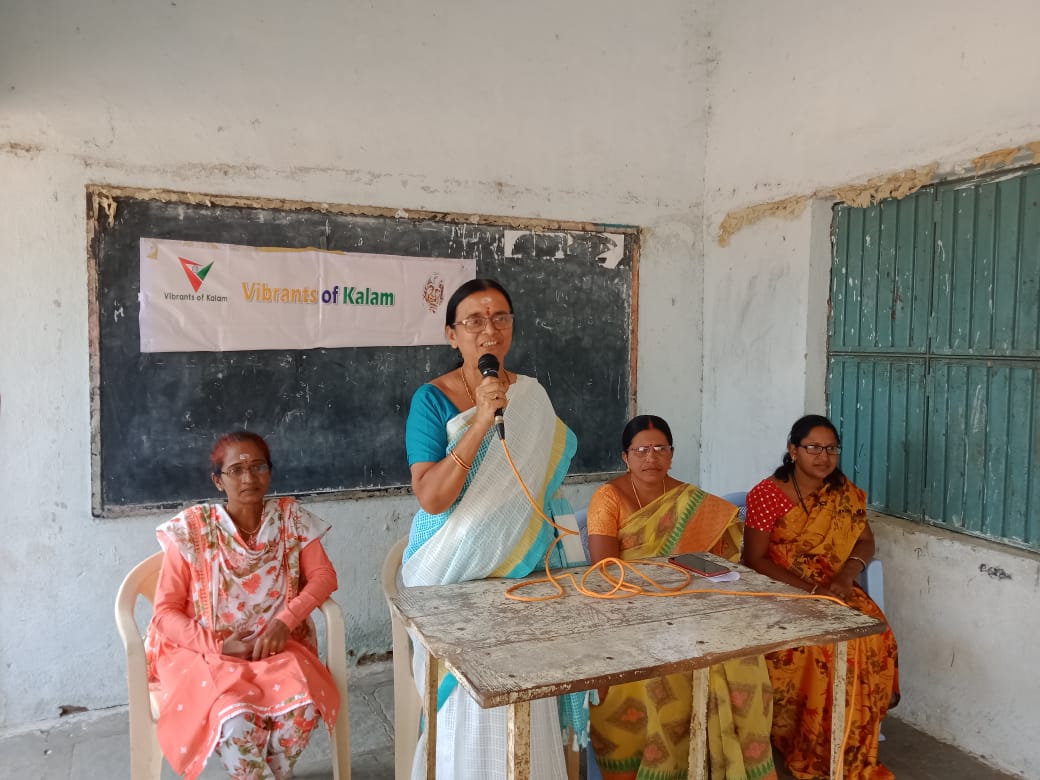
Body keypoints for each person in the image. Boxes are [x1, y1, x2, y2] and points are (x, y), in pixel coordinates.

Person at [402, 278, 582, 779]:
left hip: (523, 575)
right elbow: (432, 497)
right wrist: (481, 419)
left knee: (529, 684)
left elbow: (538, 492)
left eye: (500, 317)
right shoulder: (431, 400)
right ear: (452, 334)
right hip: (449, 572)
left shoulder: (532, 396)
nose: (489, 330)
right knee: (467, 703)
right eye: (474, 321)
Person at [585, 414, 778, 780]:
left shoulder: (691, 500)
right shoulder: (608, 498)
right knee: (664, 676)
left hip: (691, 608)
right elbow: (606, 571)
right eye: (641, 450)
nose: (651, 457)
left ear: (672, 455)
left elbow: (717, 562)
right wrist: (655, 597)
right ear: (625, 457)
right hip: (632, 609)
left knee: (743, 661)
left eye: (660, 448)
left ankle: (729, 763)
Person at [146, 431, 340, 780]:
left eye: (258, 467)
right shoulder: (193, 528)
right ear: (218, 481)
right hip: (204, 652)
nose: (248, 478)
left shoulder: (290, 518)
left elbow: (324, 576)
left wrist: (285, 621)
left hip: (274, 647)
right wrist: (218, 645)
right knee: (235, 720)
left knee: (303, 709)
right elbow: (165, 613)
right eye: (236, 470)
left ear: (270, 471)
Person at [743, 414, 899, 780]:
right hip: (781, 592)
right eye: (813, 447)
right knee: (823, 648)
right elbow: (755, 559)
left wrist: (846, 576)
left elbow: (865, 541)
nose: (823, 456)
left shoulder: (844, 494)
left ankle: (851, 740)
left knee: (870, 634)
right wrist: (810, 590)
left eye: (831, 448)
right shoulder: (766, 494)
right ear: (793, 450)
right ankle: (810, 741)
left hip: (834, 587)